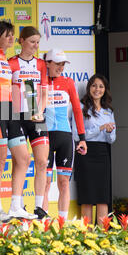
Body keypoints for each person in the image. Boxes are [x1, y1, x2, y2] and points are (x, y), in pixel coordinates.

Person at [0, 20, 36, 220]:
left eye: (12, 35)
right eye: (7, 35)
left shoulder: (5, 58)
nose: (11, 38)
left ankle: (15, 205)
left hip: (10, 110)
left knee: (23, 157)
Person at [8, 26, 49, 219]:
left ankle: (39, 207)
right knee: (21, 160)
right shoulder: (12, 63)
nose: (35, 46)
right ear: (21, 41)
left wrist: (40, 111)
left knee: (42, 161)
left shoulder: (41, 64)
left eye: (38, 42)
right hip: (16, 116)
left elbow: (45, 92)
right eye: (32, 41)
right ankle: (16, 204)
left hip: (36, 114)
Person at [41, 49, 87, 220]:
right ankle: (43, 224)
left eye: (63, 64)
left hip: (64, 137)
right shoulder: (39, 81)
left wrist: (82, 138)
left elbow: (76, 110)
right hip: (44, 137)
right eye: (58, 64)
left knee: (63, 183)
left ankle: (62, 225)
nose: (61, 67)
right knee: (44, 183)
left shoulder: (68, 82)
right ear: (47, 63)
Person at [72, 74, 116, 224]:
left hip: (102, 153)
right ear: (89, 87)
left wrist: (109, 132)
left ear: (105, 90)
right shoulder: (81, 107)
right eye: (94, 85)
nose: (97, 89)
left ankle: (102, 237)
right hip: (85, 153)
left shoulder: (108, 111)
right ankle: (87, 236)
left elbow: (112, 139)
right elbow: (78, 135)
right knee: (87, 197)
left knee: (102, 197)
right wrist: (100, 128)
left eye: (101, 86)